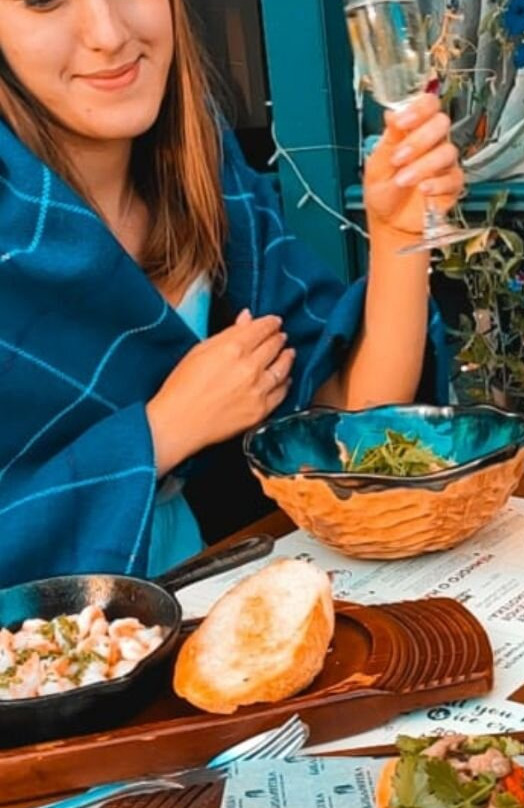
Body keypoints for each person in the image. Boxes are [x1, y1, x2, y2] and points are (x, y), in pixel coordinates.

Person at [0, 0, 464, 586]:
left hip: (219, 595)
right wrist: (161, 432)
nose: (108, 33)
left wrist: (399, 235)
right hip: (66, 634)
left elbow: (347, 424)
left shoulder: (211, 181)